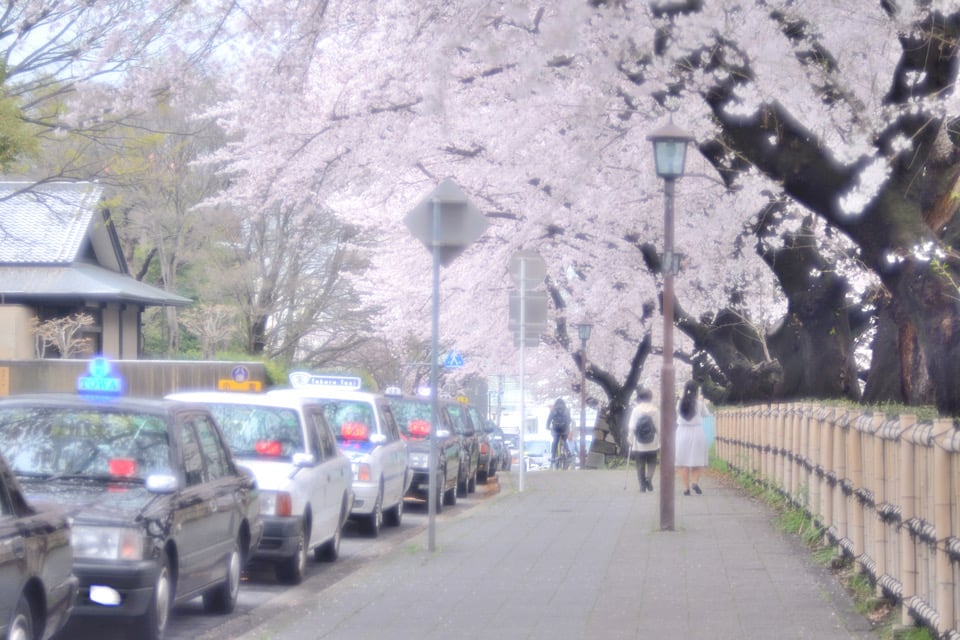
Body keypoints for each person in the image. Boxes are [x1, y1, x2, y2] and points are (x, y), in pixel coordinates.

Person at [675, 379, 710, 495]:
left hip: (682, 433)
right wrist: (701, 402)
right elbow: (706, 415)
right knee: (697, 459)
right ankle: (694, 482)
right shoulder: (699, 404)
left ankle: (686, 488)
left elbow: (677, 413)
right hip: (696, 432)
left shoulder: (679, 403)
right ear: (697, 390)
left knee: (683, 461)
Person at [624, 388, 660, 492]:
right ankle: (648, 479)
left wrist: (630, 437)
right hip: (652, 441)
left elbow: (632, 426)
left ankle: (642, 486)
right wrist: (661, 440)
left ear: (640, 398)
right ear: (651, 398)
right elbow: (658, 427)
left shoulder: (636, 410)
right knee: (652, 461)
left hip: (638, 441)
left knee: (640, 463)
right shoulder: (655, 410)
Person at [546, 398, 571, 464]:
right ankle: (568, 452)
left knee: (555, 441)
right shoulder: (566, 410)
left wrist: (547, 427)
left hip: (556, 429)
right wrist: (567, 425)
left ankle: (553, 456)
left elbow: (549, 419)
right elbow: (569, 420)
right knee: (564, 440)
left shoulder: (553, 410)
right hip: (564, 429)